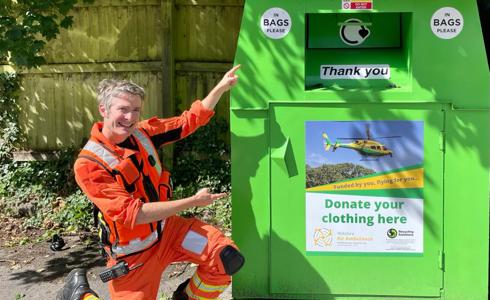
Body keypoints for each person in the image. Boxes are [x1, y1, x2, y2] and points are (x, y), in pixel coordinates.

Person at [58, 65, 244, 300]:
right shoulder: (88, 164)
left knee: (226, 258)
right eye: (123, 109)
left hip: (170, 232)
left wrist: (220, 88)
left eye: (136, 110)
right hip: (134, 255)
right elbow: (135, 215)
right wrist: (194, 201)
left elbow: (188, 121)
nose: (131, 117)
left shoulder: (143, 133)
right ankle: (79, 295)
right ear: (103, 110)